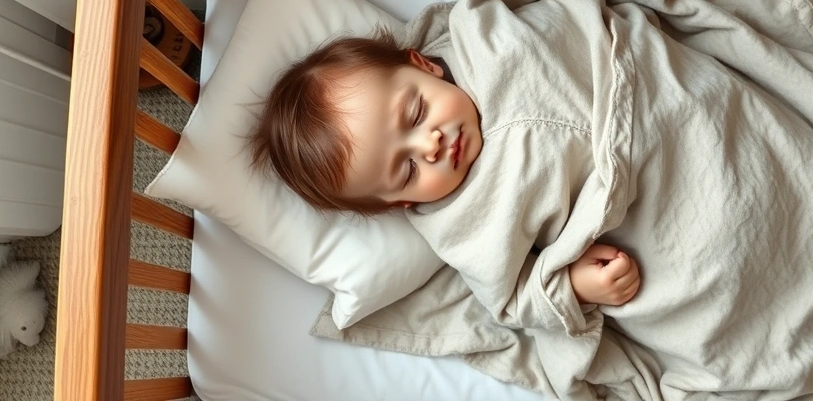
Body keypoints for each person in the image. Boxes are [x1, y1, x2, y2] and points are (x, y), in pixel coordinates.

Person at [249, 29, 641, 308]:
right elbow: (512, 298)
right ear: (397, 202)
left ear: (423, 65)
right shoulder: (460, 228)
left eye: (416, 113)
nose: (430, 144)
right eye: (408, 170)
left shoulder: (482, 37)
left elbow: (563, 9)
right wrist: (574, 286)